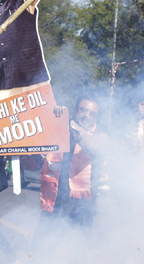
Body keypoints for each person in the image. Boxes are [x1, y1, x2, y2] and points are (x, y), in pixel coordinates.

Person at [39, 95, 104, 229]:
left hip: (84, 205)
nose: (86, 116)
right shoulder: (62, 130)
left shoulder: (101, 135)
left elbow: (93, 147)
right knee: (42, 242)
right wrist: (55, 117)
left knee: (78, 245)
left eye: (92, 113)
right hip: (56, 199)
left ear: (96, 118)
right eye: (83, 110)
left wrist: (70, 124)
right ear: (75, 110)